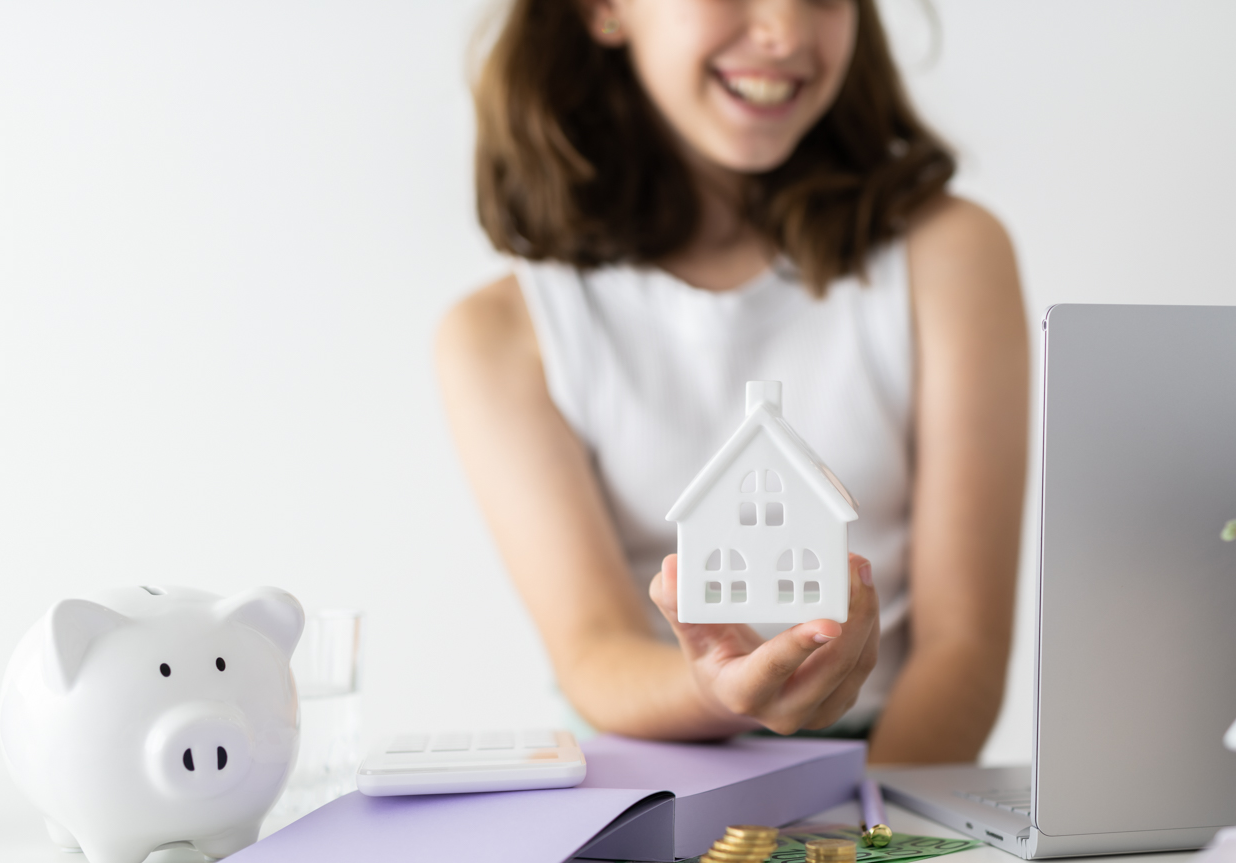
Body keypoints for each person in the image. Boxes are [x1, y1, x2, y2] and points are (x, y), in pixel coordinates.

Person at [436, 0, 1027, 764]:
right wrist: (717, 689)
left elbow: (963, 648)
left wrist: (870, 843)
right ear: (602, 10)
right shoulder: (502, 335)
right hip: (643, 785)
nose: (784, 31)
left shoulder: (950, 257)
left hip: (900, 776)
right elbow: (593, 654)